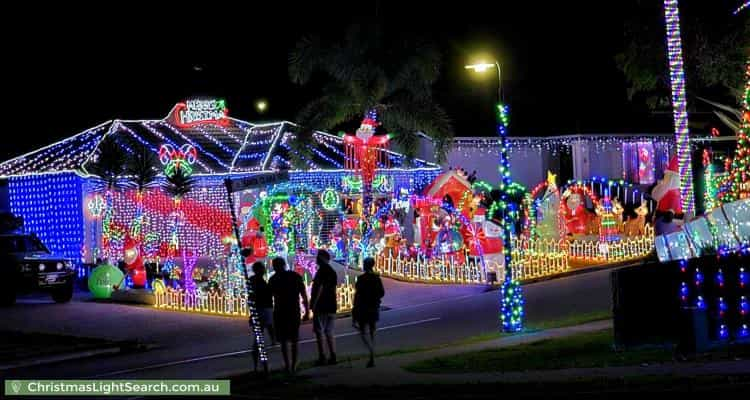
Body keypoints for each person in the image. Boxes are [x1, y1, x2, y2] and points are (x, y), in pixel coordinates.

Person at [269, 257, 310, 374]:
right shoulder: (295, 276)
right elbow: (304, 295)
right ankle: (294, 364)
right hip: (293, 310)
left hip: (280, 311)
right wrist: (307, 310)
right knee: (294, 339)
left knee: (284, 341)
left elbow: (268, 297)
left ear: (275, 266)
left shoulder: (273, 279)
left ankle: (288, 365)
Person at [352, 257, 385, 368]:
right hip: (374, 307)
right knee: (372, 332)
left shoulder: (361, 279)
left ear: (365, 266)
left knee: (363, 332)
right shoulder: (377, 278)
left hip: (363, 308)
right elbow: (382, 293)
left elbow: (357, 296)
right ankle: (372, 354)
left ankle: (371, 351)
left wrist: (354, 312)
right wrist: (375, 299)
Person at [310, 249, 338, 365]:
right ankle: (333, 355)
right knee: (329, 331)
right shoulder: (332, 271)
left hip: (321, 305)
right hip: (331, 304)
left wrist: (313, 304)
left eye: (318, 257)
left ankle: (322, 356)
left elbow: (319, 288)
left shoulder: (322, 271)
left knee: (319, 331)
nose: (316, 259)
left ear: (322, 258)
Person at [248, 261, 275, 372]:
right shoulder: (259, 282)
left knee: (259, 337)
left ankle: (258, 365)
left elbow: (251, 297)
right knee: (259, 338)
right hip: (263, 309)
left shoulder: (253, 281)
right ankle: (263, 365)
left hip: (260, 310)